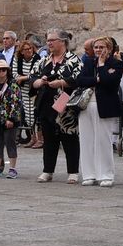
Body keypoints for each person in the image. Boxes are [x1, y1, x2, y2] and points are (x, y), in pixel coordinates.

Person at [32, 31, 81, 183]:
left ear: (63, 41)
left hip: (64, 101)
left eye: (53, 40)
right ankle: (48, 170)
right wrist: (39, 82)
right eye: (48, 40)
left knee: (69, 138)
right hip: (46, 102)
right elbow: (32, 77)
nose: (49, 43)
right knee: (48, 138)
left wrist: (61, 83)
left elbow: (78, 79)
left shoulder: (73, 59)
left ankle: (73, 171)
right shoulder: (44, 60)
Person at [75, 36, 123, 187]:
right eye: (96, 47)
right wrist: (96, 80)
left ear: (109, 49)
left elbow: (110, 82)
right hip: (86, 105)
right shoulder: (89, 62)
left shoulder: (116, 64)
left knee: (103, 141)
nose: (98, 50)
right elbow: (80, 80)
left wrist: (102, 66)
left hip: (104, 106)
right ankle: (89, 174)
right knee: (86, 140)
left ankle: (106, 175)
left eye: (101, 47)